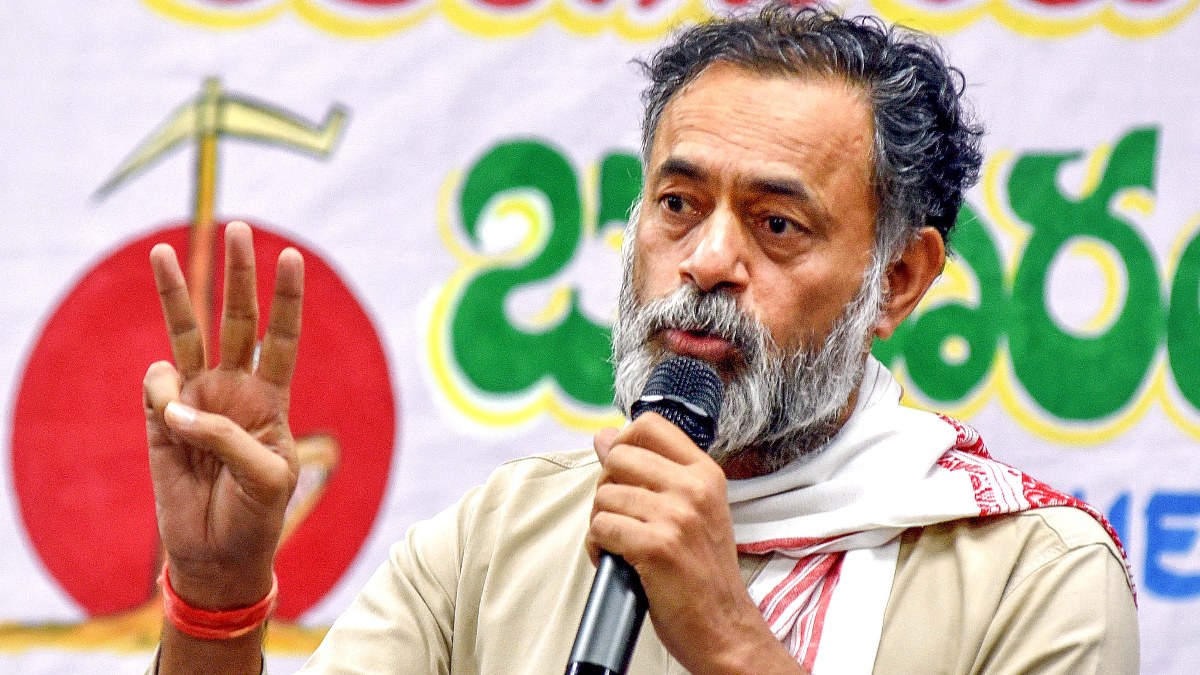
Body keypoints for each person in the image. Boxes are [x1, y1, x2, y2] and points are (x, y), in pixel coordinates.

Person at [142, 3, 1138, 674]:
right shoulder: (503, 535)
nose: (707, 260)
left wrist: (730, 639)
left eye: (776, 224)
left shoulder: (1031, 575)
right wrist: (217, 597)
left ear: (899, 280)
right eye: (678, 203)